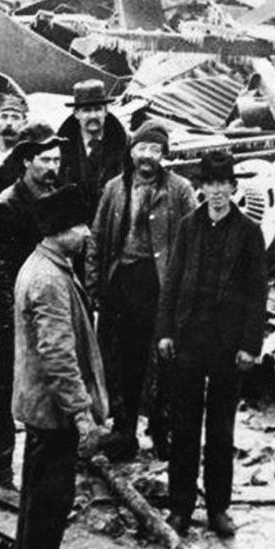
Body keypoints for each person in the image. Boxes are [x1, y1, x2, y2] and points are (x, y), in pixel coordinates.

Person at [157, 151, 267, 539]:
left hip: (227, 347)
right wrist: (165, 332)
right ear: (201, 188)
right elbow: (171, 282)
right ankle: (181, 508)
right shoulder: (189, 227)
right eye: (210, 184)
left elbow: (257, 295)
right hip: (189, 341)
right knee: (184, 428)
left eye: (224, 185)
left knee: (221, 432)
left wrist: (250, 346)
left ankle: (218, 508)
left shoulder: (249, 232)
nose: (217, 192)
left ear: (234, 188)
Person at [12, 184, 107, 549]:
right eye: (80, 225)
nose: (88, 233)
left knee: (35, 499)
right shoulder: (49, 279)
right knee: (51, 502)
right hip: (52, 413)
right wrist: (82, 415)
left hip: (39, 407)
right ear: (60, 230)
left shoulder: (46, 265)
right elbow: (59, 355)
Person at [86, 120, 196, 462]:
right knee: (123, 360)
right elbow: (97, 238)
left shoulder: (179, 190)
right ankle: (125, 429)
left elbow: (194, 242)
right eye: (142, 149)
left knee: (166, 359)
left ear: (164, 155)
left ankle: (163, 429)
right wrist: (94, 283)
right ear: (132, 150)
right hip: (122, 282)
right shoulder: (115, 188)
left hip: (162, 285)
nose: (147, 156)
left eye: (155, 150)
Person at [0, 123, 65, 488]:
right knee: (0, 393)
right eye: (45, 159)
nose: (52, 167)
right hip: (11, 313)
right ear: (27, 160)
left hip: (44, 312)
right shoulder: (6, 206)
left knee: (41, 391)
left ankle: (38, 472)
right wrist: (2, 323)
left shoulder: (56, 197)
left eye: (57, 159)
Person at [57, 79, 128, 215]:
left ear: (106, 111)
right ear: (76, 113)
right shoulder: (59, 148)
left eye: (98, 109)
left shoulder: (125, 145)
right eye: (87, 110)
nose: (93, 115)